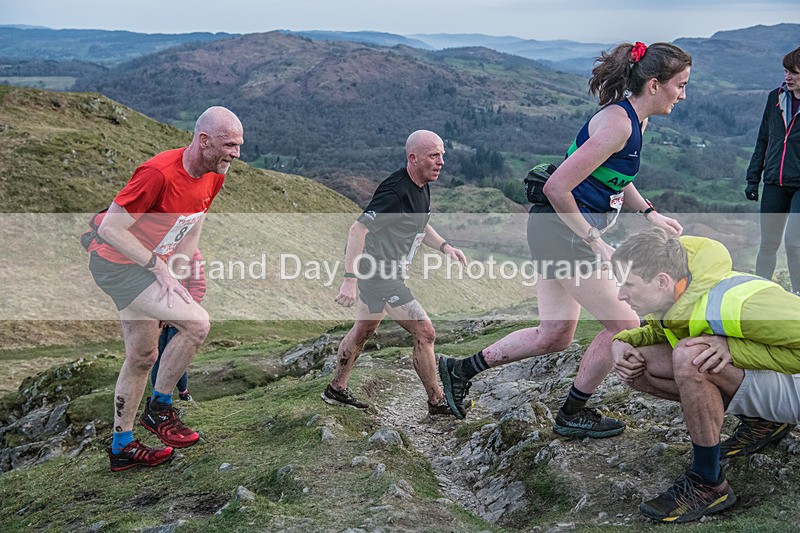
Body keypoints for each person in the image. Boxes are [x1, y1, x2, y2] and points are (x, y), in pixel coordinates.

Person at [438, 42, 690, 437]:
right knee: (624, 322)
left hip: (553, 231)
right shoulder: (618, 124)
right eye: (681, 85)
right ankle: (573, 412)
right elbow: (558, 187)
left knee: (554, 335)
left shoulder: (636, 122)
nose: (683, 94)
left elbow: (618, 176)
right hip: (564, 233)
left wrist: (650, 213)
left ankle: (460, 369)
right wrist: (595, 240)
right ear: (655, 84)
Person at [88, 106, 243, 472]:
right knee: (197, 324)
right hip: (118, 265)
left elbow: (194, 220)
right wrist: (158, 267)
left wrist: (180, 267)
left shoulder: (215, 172)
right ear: (203, 140)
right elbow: (110, 228)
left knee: (142, 356)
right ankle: (159, 409)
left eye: (240, 145)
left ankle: (122, 446)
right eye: (230, 144)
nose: (236, 153)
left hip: (149, 266)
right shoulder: (157, 173)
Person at [611, 227, 800, 523]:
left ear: (662, 281)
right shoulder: (679, 296)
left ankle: (707, 483)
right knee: (640, 365)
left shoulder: (743, 305)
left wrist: (735, 349)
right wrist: (622, 341)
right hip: (778, 381)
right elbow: (662, 332)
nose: (620, 295)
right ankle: (765, 422)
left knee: (690, 356)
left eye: (628, 285)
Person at [322, 130, 469, 416]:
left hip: (386, 271)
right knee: (425, 332)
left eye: (442, 155)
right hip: (377, 272)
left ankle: (336, 389)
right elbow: (357, 229)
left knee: (365, 329)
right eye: (434, 156)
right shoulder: (395, 192)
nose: (441, 162)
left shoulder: (422, 185)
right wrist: (349, 280)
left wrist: (445, 247)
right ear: (413, 158)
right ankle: (437, 401)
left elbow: (420, 226)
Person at [746, 46, 800, 294]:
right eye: (786, 71)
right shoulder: (775, 97)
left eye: (795, 73)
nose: (788, 77)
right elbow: (763, 139)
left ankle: (797, 298)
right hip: (774, 182)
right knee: (768, 243)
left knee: (794, 244)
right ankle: (759, 294)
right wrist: (752, 178)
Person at [150, 248, 206, 402]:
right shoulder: (155, 249)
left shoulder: (192, 252)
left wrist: (183, 312)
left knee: (176, 355)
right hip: (157, 316)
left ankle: (182, 393)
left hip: (182, 316)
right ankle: (157, 398)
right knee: (158, 357)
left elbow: (197, 286)